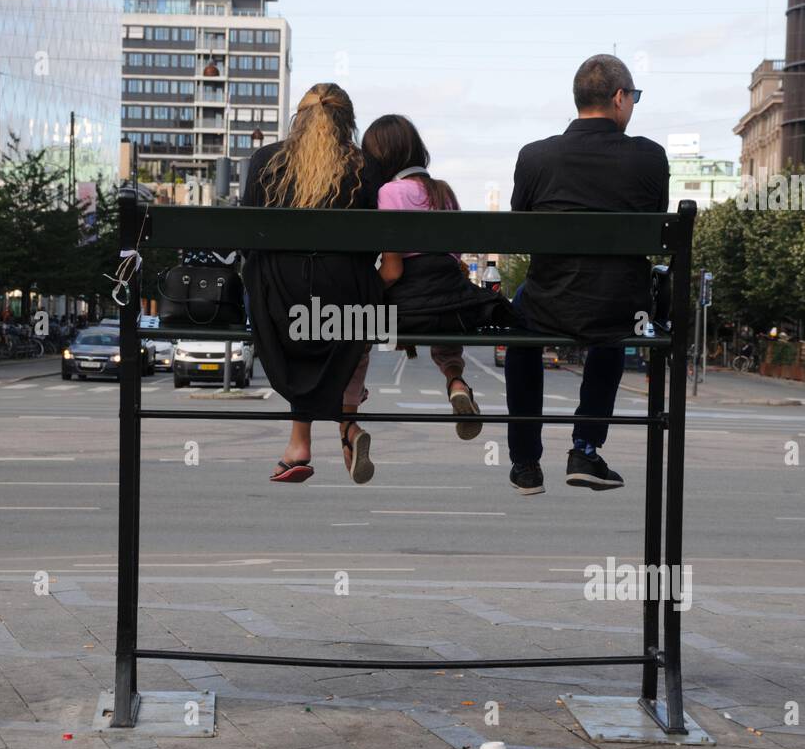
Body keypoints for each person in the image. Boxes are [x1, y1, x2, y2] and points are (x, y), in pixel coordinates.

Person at [504, 54, 668, 495]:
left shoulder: (535, 157)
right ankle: (585, 448)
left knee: (520, 327)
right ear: (619, 98)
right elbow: (654, 231)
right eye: (633, 98)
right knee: (613, 319)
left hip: (547, 303)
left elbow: (520, 230)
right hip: (620, 309)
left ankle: (525, 461)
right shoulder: (650, 158)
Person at [345, 114, 517, 449]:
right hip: (454, 305)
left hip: (409, 311)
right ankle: (456, 381)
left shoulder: (388, 193)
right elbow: (451, 261)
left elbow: (393, 272)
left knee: (356, 326)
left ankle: (350, 418)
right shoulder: (444, 192)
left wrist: (365, 294)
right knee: (443, 314)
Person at [241, 82, 384, 484]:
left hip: (278, 304)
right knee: (358, 312)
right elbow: (374, 247)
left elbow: (247, 236)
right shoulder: (365, 167)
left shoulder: (266, 160)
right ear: (348, 123)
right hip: (345, 302)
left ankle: (300, 444)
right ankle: (346, 426)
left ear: (298, 119)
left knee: (297, 311)